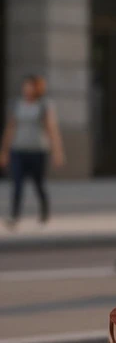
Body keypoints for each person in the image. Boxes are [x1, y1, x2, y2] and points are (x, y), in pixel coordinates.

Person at [1, 75, 64, 228]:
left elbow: (51, 129)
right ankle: (14, 216)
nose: (27, 89)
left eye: (30, 86)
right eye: (25, 86)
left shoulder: (44, 105)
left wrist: (57, 151)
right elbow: (10, 128)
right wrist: (4, 151)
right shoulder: (17, 105)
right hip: (18, 150)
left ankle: (44, 211)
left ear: (37, 88)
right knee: (17, 184)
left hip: (38, 151)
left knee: (38, 184)